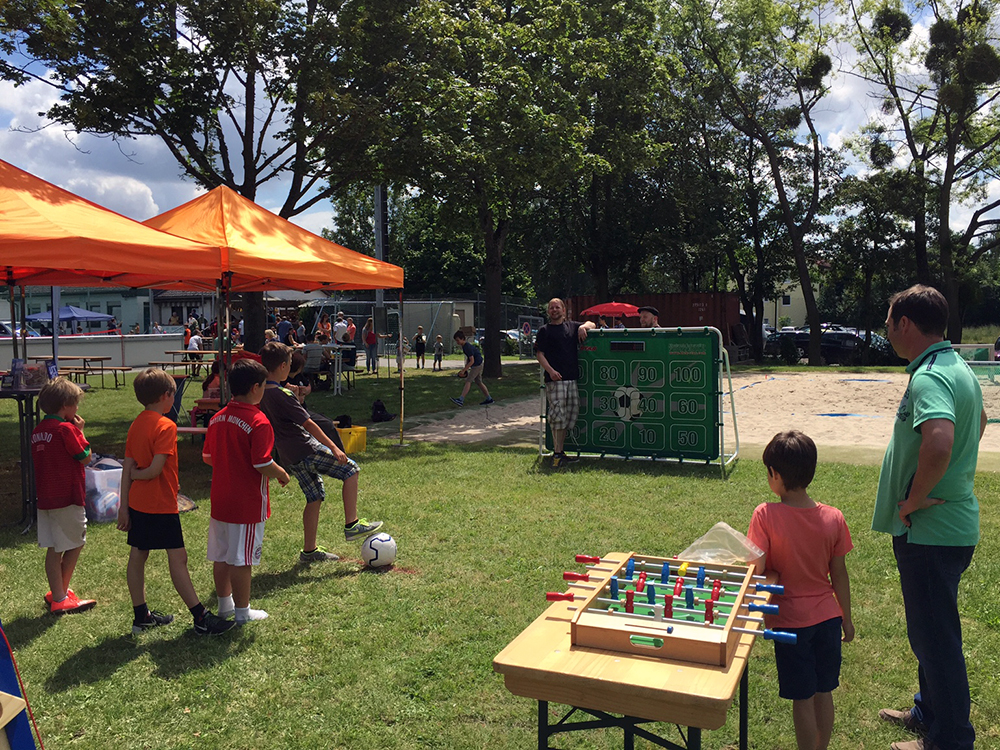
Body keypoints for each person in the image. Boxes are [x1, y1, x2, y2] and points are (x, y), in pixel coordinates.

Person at [874, 285, 985, 750]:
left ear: (905, 323)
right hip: (949, 527)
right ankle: (928, 711)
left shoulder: (929, 377)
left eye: (888, 321)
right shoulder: (956, 367)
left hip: (932, 533)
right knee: (930, 632)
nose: (885, 330)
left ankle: (949, 739)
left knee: (937, 640)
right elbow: (975, 426)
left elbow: (940, 441)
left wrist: (916, 498)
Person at [747, 430, 854, 750]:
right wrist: (846, 618)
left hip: (791, 624)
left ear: (775, 475)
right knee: (824, 692)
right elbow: (839, 574)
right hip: (828, 619)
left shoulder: (764, 514)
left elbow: (757, 569)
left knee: (802, 699)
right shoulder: (834, 517)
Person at [117, 368, 234, 636]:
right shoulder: (165, 425)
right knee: (178, 558)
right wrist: (139, 475)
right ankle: (200, 617)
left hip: (138, 503)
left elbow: (128, 467)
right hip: (159, 505)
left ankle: (141, 617)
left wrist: (124, 506)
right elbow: (154, 469)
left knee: (138, 556)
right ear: (167, 396)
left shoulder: (136, 424)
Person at [258, 343, 383, 563]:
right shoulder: (283, 394)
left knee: (314, 497)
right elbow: (309, 424)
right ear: (283, 366)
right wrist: (334, 447)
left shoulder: (260, 393)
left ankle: (309, 551)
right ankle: (352, 524)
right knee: (351, 470)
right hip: (305, 448)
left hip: (288, 456)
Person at [203, 359, 290, 625]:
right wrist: (282, 473)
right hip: (247, 502)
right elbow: (262, 462)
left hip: (220, 499)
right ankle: (242, 612)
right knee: (242, 560)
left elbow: (207, 456)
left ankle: (224, 606)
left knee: (222, 555)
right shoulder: (258, 421)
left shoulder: (217, 418)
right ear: (256, 388)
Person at [31, 378, 98, 614]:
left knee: (53, 546)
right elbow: (85, 456)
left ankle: (57, 591)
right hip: (68, 496)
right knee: (75, 543)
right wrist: (81, 433)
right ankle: (60, 596)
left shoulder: (38, 431)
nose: (77, 409)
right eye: (75, 404)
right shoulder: (66, 429)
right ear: (65, 406)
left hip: (46, 498)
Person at [534, 298, 596, 467]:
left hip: (571, 380)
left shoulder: (572, 326)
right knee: (558, 417)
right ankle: (558, 454)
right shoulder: (544, 331)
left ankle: (560, 452)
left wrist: (584, 327)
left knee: (569, 416)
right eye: (551, 308)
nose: (554, 310)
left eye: (557, 307)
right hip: (555, 381)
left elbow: (592, 324)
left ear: (564, 310)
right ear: (548, 311)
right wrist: (551, 371)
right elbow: (540, 354)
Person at [450, 330, 493, 407]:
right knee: (479, 382)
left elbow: (472, 361)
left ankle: (461, 399)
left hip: (477, 365)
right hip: (478, 363)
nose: (457, 342)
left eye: (458, 340)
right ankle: (489, 398)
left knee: (468, 381)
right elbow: (469, 359)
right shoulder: (465, 347)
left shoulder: (467, 347)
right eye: (456, 340)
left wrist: (464, 370)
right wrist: (465, 368)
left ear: (463, 339)